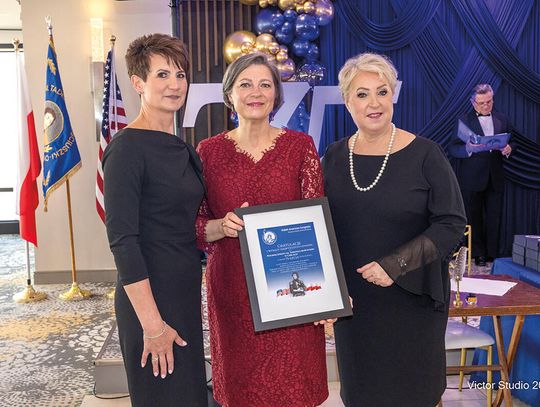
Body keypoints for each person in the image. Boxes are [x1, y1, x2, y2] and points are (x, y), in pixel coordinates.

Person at [323, 53, 466, 407]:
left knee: (413, 395)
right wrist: (325, 294)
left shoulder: (427, 154)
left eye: (382, 92)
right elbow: (320, 228)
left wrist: (395, 264)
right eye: (362, 94)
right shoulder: (334, 157)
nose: (374, 103)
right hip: (355, 308)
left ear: (393, 96)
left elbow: (451, 224)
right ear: (347, 101)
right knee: (361, 395)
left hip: (412, 302)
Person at [196, 52, 330, 407]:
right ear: (229, 94)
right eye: (245, 84)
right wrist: (221, 226)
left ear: (276, 94)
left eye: (265, 84)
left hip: (290, 288)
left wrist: (325, 294)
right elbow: (194, 225)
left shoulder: (300, 147)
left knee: (294, 387)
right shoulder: (207, 152)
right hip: (232, 288)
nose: (255, 92)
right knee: (241, 391)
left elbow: (316, 224)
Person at [102, 33, 207, 407]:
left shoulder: (182, 147)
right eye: (162, 75)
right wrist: (153, 325)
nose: (175, 84)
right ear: (138, 83)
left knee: (188, 395)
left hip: (183, 290)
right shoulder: (126, 148)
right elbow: (123, 241)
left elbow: (185, 224)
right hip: (150, 298)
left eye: (180, 74)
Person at [449, 84, 515, 266]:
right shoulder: (463, 120)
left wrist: (509, 148)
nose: (486, 106)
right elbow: (453, 148)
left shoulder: (502, 118)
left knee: (494, 217)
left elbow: (514, 141)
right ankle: (478, 253)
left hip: (495, 176)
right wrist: (468, 148)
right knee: (474, 217)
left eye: (489, 101)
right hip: (472, 177)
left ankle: (492, 253)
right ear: (473, 103)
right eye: (481, 103)